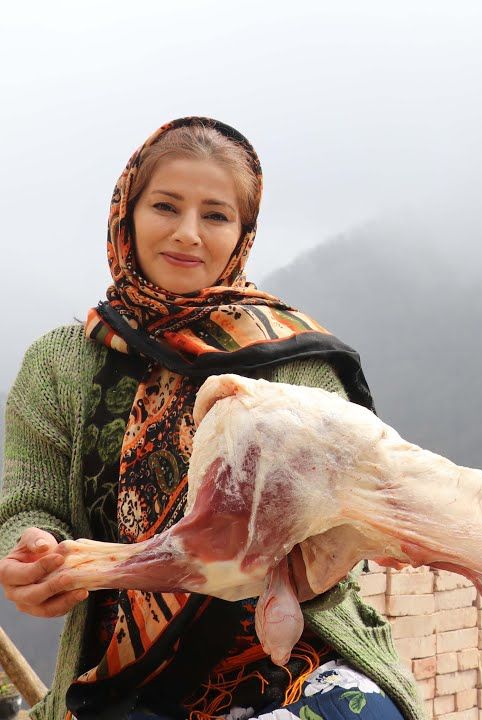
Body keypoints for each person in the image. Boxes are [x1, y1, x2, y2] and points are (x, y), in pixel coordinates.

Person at [0, 117, 425, 720]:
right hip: (125, 679)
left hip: (297, 660)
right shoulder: (61, 366)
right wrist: (30, 551)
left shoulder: (292, 362)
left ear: (243, 231)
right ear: (127, 213)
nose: (188, 234)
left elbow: (350, 523)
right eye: (165, 206)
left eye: (216, 216)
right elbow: (27, 503)